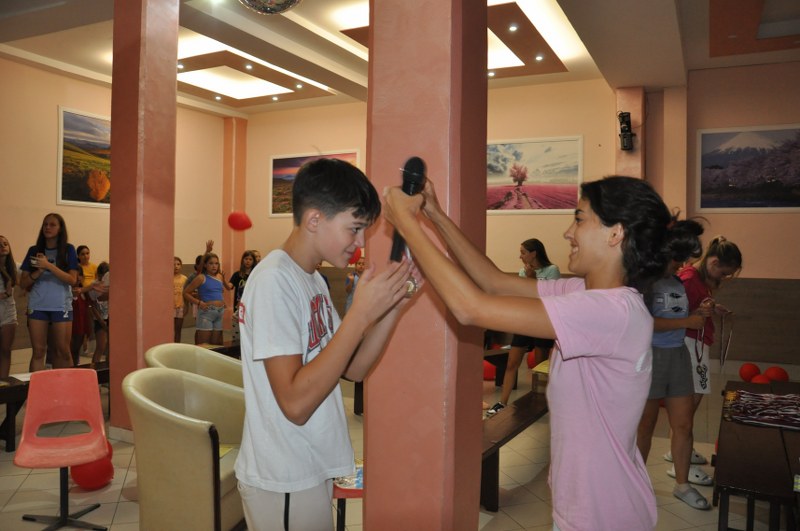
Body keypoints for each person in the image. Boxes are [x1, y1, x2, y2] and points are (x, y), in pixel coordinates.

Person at [384, 175, 671, 531]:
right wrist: (435, 214)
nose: (568, 232)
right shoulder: (585, 292)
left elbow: (470, 308)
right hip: (592, 504)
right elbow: (493, 282)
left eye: (579, 219)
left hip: (603, 513)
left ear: (616, 233)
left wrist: (406, 224)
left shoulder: (611, 311)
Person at [234, 158, 418, 531]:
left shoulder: (313, 279)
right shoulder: (273, 281)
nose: (360, 243)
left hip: (309, 466)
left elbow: (353, 368)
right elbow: (295, 404)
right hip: (284, 475)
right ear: (315, 220)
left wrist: (394, 306)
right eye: (355, 229)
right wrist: (359, 315)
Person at [636, 218, 711, 509]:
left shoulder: (677, 281)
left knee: (684, 424)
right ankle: (636, 485)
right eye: (679, 259)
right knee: (645, 426)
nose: (682, 265)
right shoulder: (645, 281)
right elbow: (643, 323)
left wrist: (696, 314)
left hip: (678, 355)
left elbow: (676, 316)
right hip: (650, 357)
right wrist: (686, 321)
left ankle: (682, 485)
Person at [665, 236, 742, 471]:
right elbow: (671, 314)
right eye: (724, 273)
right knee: (685, 410)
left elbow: (694, 303)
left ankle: (679, 450)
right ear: (714, 262)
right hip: (689, 346)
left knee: (688, 409)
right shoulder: (689, 278)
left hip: (696, 344)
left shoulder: (699, 278)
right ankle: (680, 462)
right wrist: (697, 312)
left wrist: (713, 307)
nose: (723, 278)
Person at [487, 239, 560, 415]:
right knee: (512, 363)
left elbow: (551, 298)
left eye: (523, 252)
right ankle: (502, 402)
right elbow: (522, 296)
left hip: (542, 321)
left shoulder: (552, 270)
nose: (520, 256)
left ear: (534, 253)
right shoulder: (522, 271)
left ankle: (542, 404)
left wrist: (533, 279)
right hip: (525, 321)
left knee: (540, 366)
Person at [19, 213, 79, 371]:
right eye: (45, 224)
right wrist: (38, 272)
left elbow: (72, 280)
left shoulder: (68, 249)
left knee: (63, 351)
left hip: (61, 305)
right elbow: (23, 283)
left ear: (60, 229)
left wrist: (48, 266)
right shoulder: (34, 250)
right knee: (39, 351)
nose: (47, 227)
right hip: (38, 305)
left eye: (52, 224)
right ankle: (36, 386)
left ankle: (66, 385)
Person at [184, 252, 233, 346]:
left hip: (219, 312)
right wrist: (199, 303)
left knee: (216, 345)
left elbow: (220, 291)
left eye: (216, 263)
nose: (214, 266)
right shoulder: (201, 278)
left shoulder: (220, 276)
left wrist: (223, 303)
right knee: (204, 345)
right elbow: (186, 293)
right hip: (206, 313)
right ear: (205, 265)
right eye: (211, 263)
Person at [0, 235, 18, 378]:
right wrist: (4, 294)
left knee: (6, 350)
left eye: (5, 244)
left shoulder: (14, 266)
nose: (3, 247)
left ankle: (3, 383)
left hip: (8, 312)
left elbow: (27, 280)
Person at [229, 250, 256, 343]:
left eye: (250, 259)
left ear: (253, 261)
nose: (248, 261)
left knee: (250, 334)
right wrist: (222, 280)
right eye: (246, 259)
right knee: (237, 334)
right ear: (242, 260)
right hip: (238, 308)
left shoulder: (255, 275)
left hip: (251, 307)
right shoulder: (237, 275)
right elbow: (229, 286)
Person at [76, 245, 97, 356]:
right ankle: (82, 348)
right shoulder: (77, 268)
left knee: (91, 323)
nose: (86, 256)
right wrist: (86, 289)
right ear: (78, 256)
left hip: (93, 297)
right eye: (83, 254)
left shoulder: (94, 267)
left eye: (87, 253)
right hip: (81, 297)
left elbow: (97, 282)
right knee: (83, 323)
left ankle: (89, 347)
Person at [69, 266, 93, 366]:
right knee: (69, 352)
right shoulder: (67, 292)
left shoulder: (85, 293)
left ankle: (75, 369)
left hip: (81, 328)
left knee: (76, 352)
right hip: (70, 327)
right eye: (76, 275)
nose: (78, 278)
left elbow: (87, 312)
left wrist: (87, 333)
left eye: (80, 275)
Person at [88, 262, 110, 367]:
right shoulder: (94, 285)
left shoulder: (110, 284)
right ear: (99, 275)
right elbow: (92, 306)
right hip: (99, 319)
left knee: (110, 346)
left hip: (109, 316)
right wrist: (101, 321)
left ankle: (108, 369)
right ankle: (94, 370)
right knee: (101, 346)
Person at [173, 256, 188, 343]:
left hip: (180, 306)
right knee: (169, 329)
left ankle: (176, 345)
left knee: (178, 329)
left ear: (181, 266)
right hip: (170, 307)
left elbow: (186, 294)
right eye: (173, 264)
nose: (176, 266)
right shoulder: (167, 278)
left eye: (178, 264)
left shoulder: (184, 278)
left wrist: (186, 306)